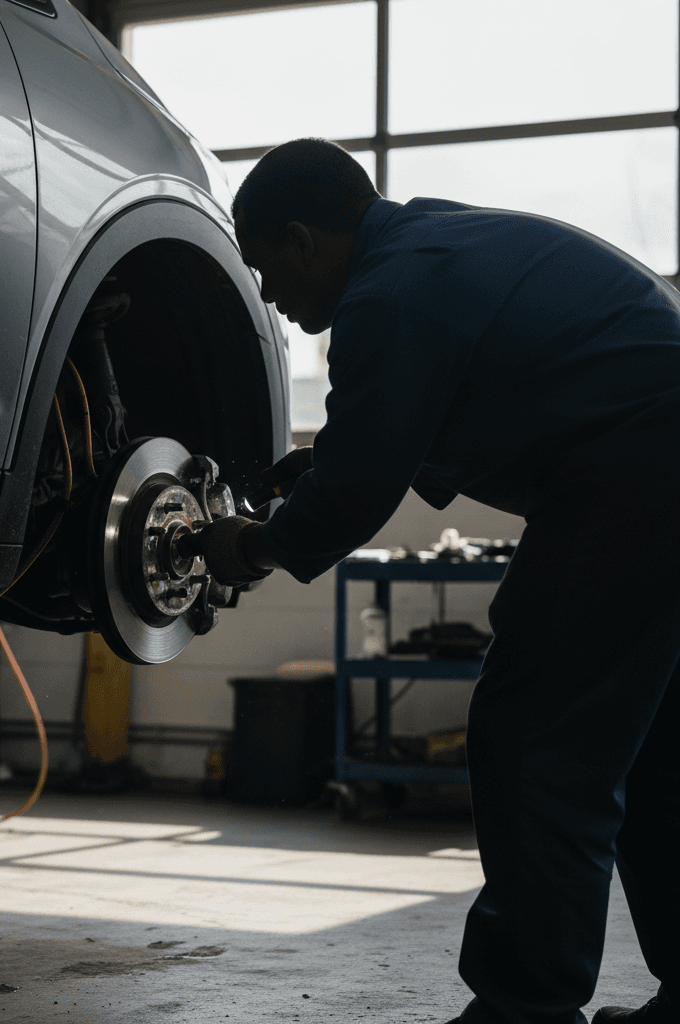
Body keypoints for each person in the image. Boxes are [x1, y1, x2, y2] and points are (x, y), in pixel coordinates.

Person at [196, 138, 679, 1024]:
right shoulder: (430, 250)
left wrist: (252, 546)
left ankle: (524, 1008)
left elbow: (359, 488)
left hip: (643, 467)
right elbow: (414, 428)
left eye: (266, 268)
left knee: (535, 733)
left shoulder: (386, 296)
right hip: (655, 451)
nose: (268, 294)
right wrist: (317, 470)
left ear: (302, 239)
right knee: (645, 747)